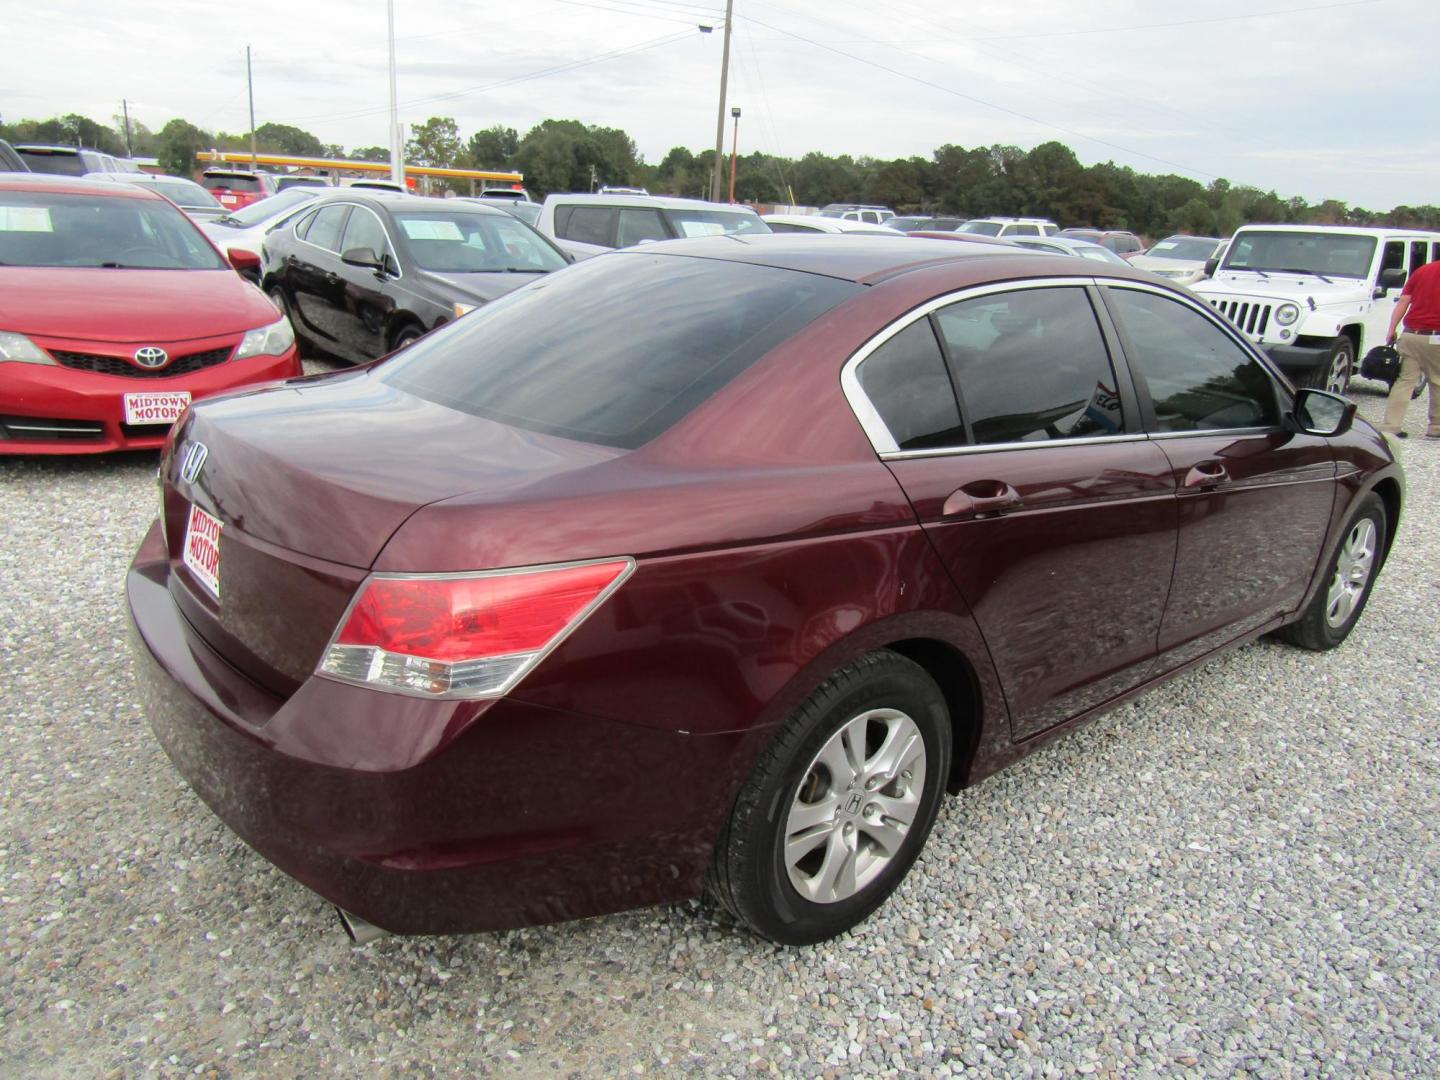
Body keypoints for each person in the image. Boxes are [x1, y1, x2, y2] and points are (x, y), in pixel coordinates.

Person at [1381, 256, 1440, 438]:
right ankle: (1436, 428)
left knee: (1405, 381)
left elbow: (1403, 302)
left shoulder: (1422, 271)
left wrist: (1392, 329)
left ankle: (1391, 427)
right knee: (1437, 381)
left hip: (1410, 335)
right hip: (1436, 336)